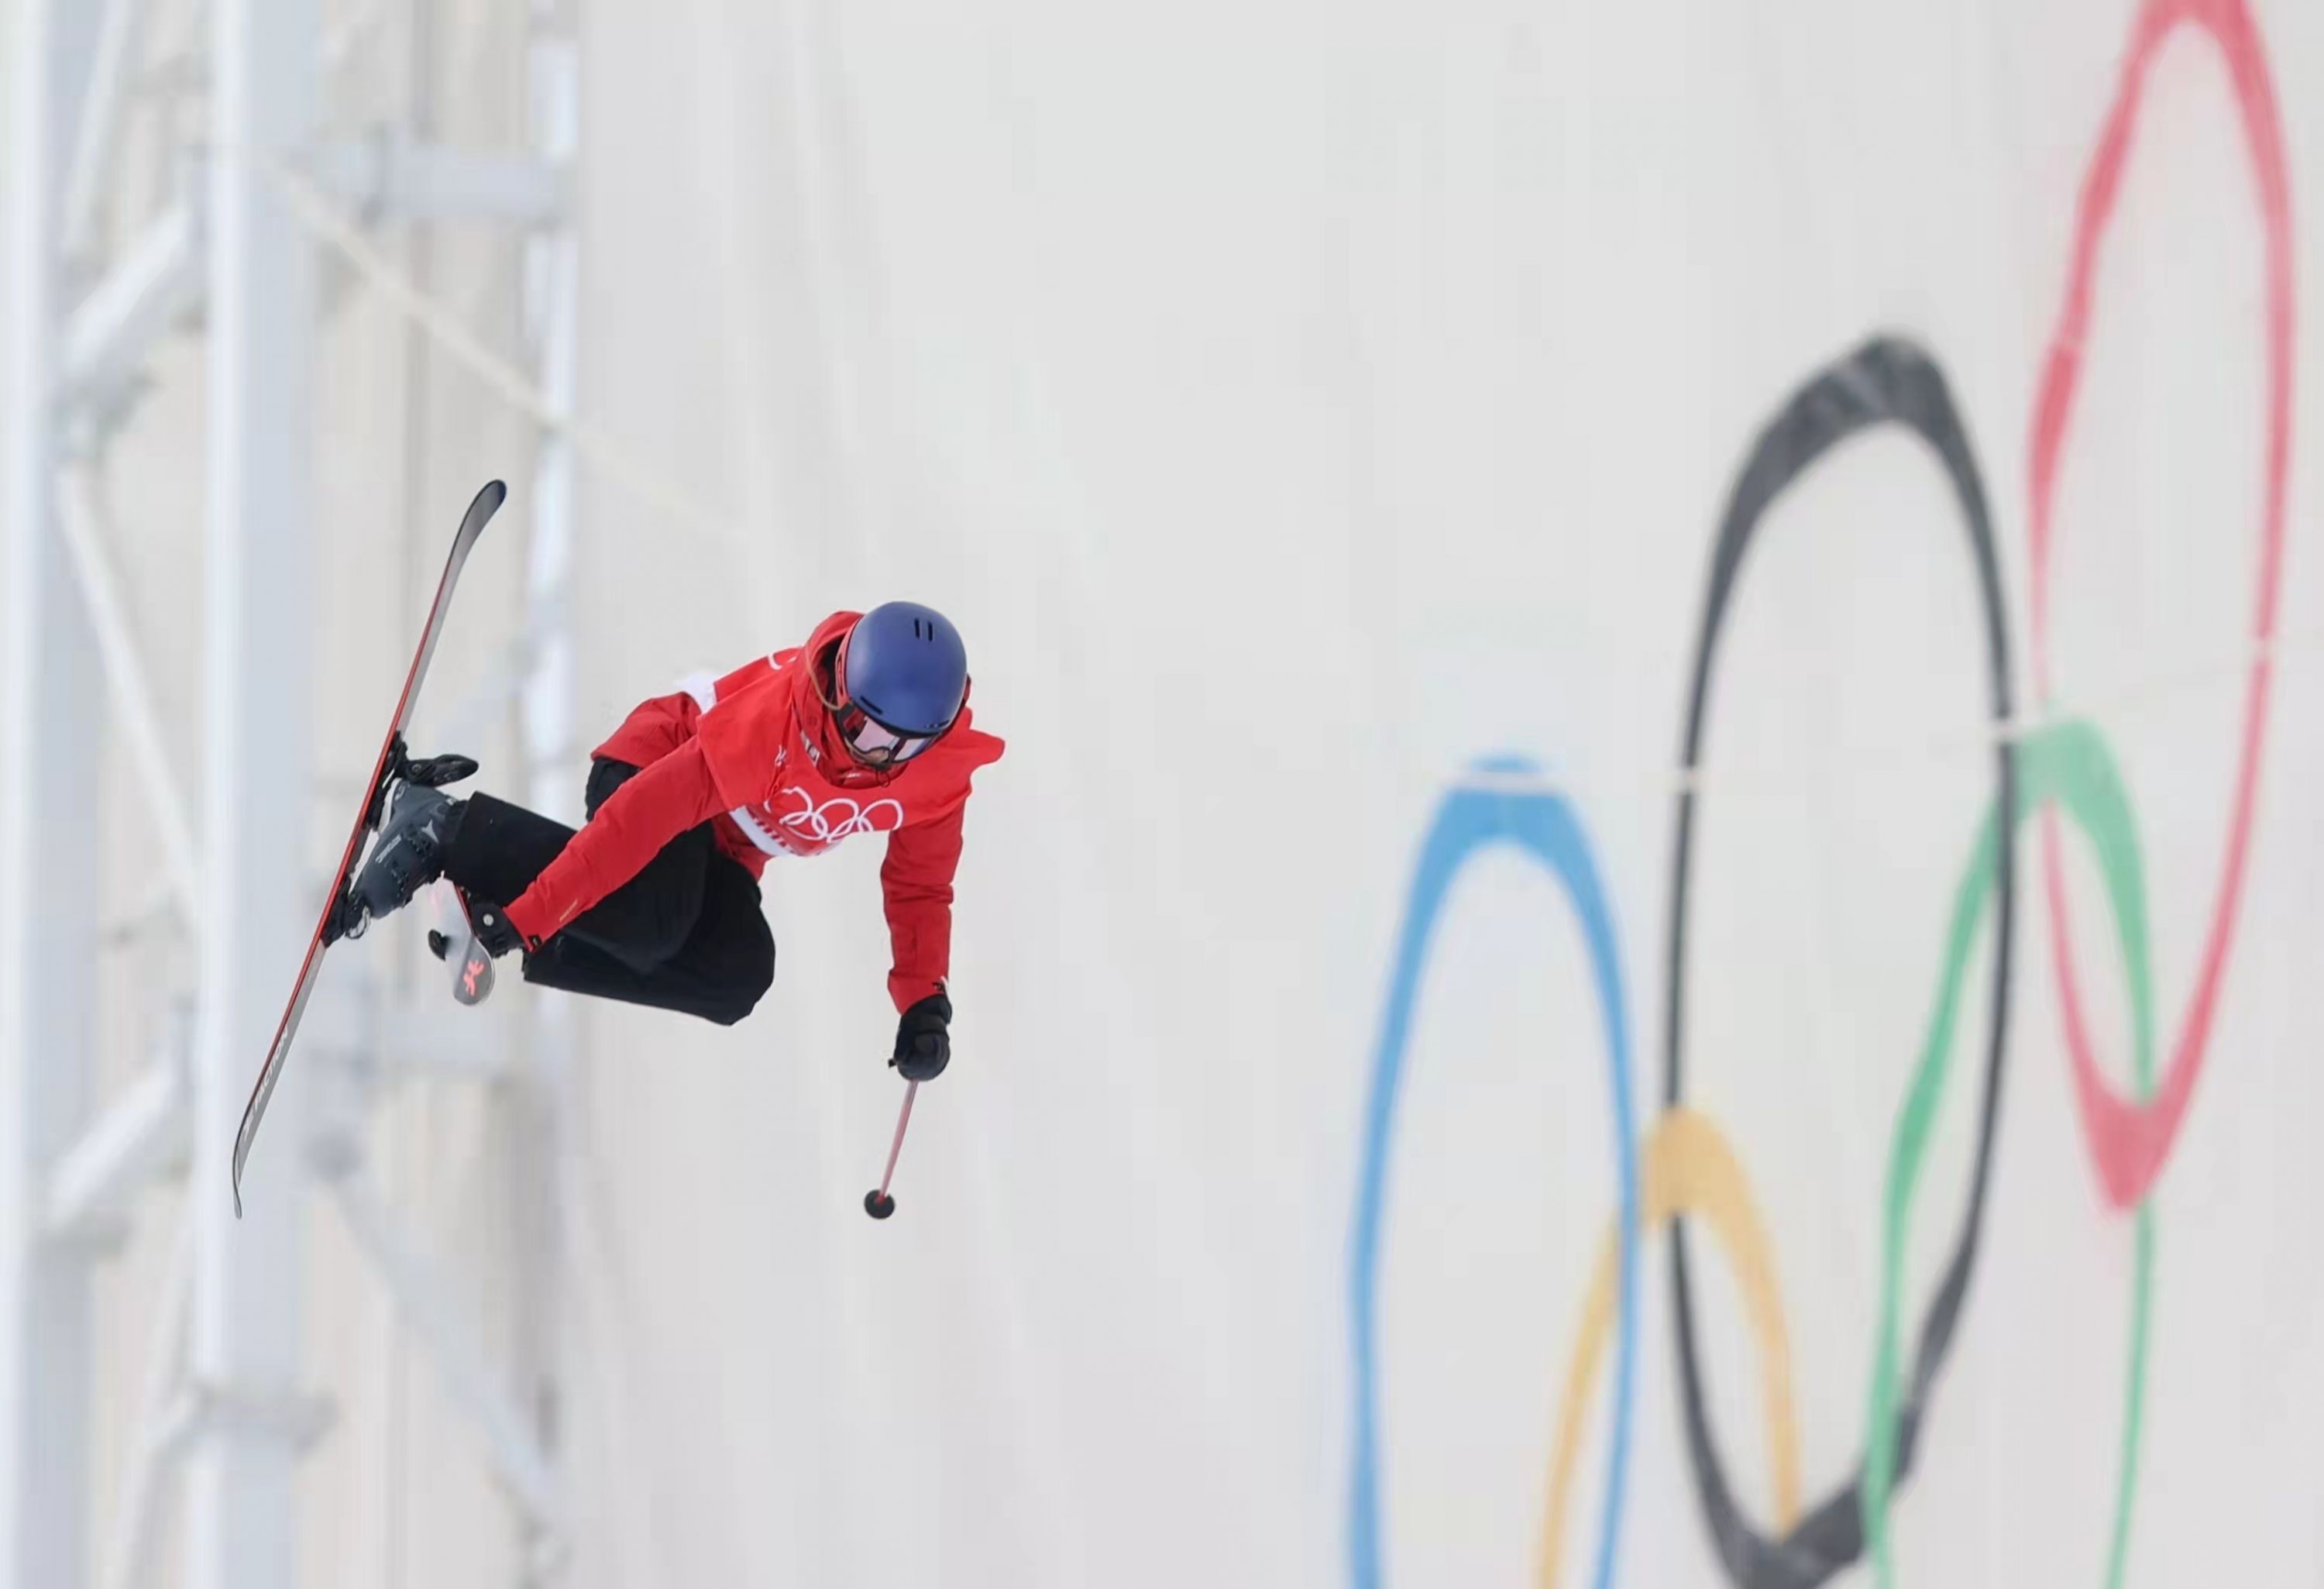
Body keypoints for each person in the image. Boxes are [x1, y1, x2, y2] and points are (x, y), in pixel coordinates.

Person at [346, 600, 1003, 1081]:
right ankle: (445, 827)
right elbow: (640, 823)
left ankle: (496, 891)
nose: (877, 756)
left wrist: (923, 999)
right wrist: (527, 918)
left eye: (903, 745)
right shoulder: (776, 728)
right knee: (653, 920)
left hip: (726, 844)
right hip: (655, 765)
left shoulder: (936, 777)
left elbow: (920, 884)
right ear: (841, 691)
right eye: (862, 727)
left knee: (736, 976)